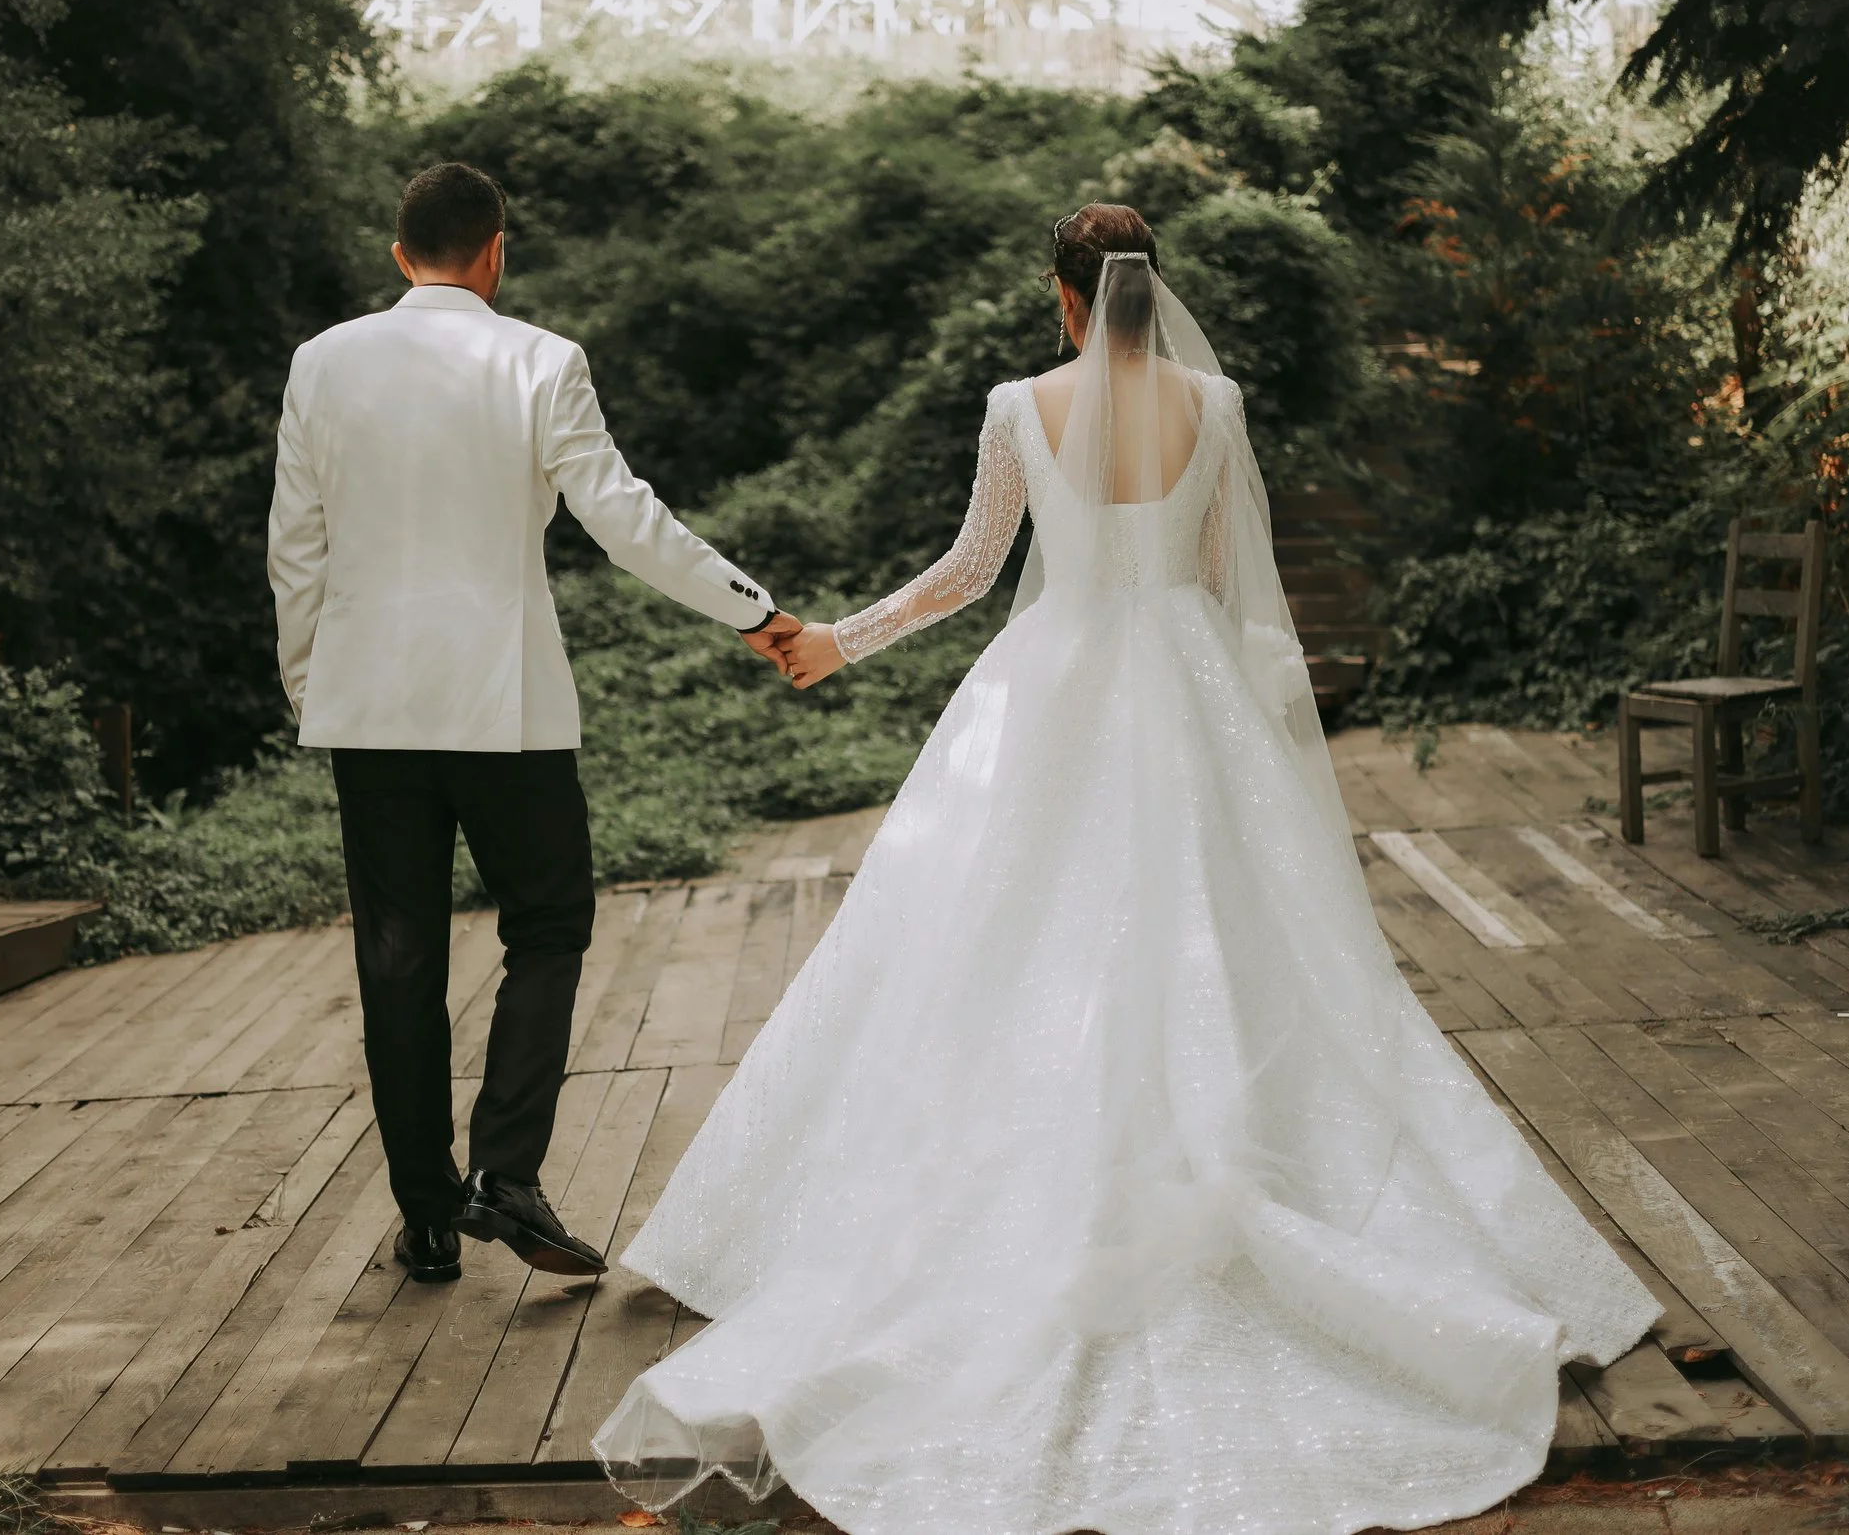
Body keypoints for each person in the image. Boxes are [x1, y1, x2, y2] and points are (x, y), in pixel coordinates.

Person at [592, 205, 1662, 1535]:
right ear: (1156, 293)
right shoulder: (1214, 403)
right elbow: (1225, 582)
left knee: (996, 941)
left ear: (1062, 295)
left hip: (1056, 685)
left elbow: (975, 572)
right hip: (1191, 689)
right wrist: (1249, 713)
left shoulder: (1018, 406)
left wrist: (841, 640)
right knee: (1228, 940)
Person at [266, 162, 799, 1288]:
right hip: (505, 708)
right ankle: (504, 1169)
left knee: (397, 962)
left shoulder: (322, 362)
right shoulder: (541, 361)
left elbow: (294, 547)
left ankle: (424, 1216)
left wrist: (314, 689)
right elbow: (624, 520)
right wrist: (752, 610)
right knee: (547, 928)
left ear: (398, 252)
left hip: (370, 711)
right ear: (495, 251)